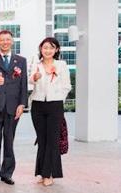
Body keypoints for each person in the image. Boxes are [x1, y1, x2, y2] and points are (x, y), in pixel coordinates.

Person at [0, 30, 28, 185]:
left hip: (13, 107)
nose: (5, 42)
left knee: (9, 141)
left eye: (8, 39)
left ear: (12, 41)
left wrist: (22, 104)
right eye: (2, 40)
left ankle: (7, 173)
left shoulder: (21, 61)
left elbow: (24, 84)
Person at [29, 37, 71, 187]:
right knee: (42, 140)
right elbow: (30, 80)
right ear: (41, 49)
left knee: (52, 141)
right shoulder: (36, 63)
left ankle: (49, 174)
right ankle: (42, 172)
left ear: (56, 50)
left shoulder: (61, 65)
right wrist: (35, 77)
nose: (47, 50)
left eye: (51, 48)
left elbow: (67, 86)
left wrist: (58, 99)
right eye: (45, 47)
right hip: (38, 105)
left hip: (55, 106)